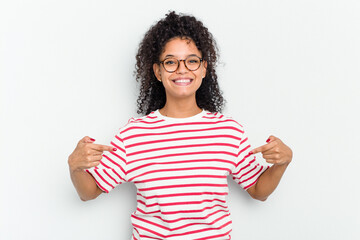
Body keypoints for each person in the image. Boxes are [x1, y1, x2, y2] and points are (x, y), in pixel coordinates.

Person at [68, 11, 293, 240]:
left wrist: (282, 163)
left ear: (204, 68)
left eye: (192, 61)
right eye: (171, 62)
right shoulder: (134, 135)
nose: (182, 69)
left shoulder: (228, 132)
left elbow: (258, 190)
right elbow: (89, 192)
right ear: (158, 71)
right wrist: (75, 168)